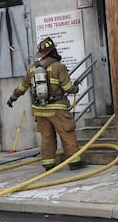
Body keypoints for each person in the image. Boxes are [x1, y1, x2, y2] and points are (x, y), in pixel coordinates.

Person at [6, 37, 84, 171]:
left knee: (47, 137)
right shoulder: (58, 66)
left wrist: (12, 98)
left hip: (40, 110)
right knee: (67, 134)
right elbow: (67, 87)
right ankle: (75, 162)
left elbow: (21, 88)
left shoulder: (32, 69)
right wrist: (75, 88)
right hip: (57, 109)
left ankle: (48, 163)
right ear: (53, 51)